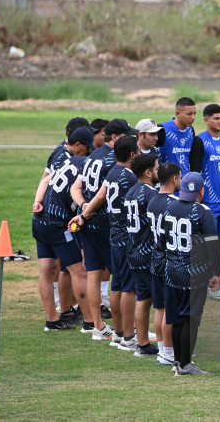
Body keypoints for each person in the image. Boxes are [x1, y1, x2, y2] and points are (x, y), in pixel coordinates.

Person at [70, 118, 138, 341]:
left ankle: (97, 326)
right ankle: (126, 330)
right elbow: (103, 194)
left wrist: (82, 209)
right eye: (127, 135)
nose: (132, 138)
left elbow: (75, 187)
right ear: (116, 138)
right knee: (120, 277)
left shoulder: (92, 156)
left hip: (88, 222)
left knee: (93, 272)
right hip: (106, 223)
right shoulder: (113, 160)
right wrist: (88, 211)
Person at [33, 126, 95, 332]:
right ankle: (90, 322)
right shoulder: (85, 165)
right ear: (79, 146)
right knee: (79, 271)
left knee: (46, 271)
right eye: (87, 147)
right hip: (57, 225)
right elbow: (76, 192)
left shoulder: (66, 160)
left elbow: (46, 179)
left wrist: (37, 201)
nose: (88, 151)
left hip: (40, 220)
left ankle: (52, 320)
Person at [161, 172, 220, 376]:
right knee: (190, 318)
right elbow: (213, 245)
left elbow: (161, 240)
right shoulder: (203, 211)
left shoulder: (169, 207)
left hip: (171, 269)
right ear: (201, 191)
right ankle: (186, 364)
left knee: (176, 318)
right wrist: (216, 273)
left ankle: (178, 361)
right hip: (193, 272)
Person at [123, 153, 161, 357]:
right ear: (148, 172)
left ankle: (143, 344)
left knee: (143, 299)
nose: (159, 170)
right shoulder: (151, 194)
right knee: (162, 304)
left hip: (133, 252)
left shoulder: (130, 192)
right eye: (157, 167)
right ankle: (167, 347)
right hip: (149, 254)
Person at [147, 162, 182, 366]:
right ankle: (170, 353)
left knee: (160, 308)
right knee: (170, 309)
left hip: (155, 257)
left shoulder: (152, 200)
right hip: (170, 259)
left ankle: (163, 351)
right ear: (174, 179)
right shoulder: (174, 203)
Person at [189, 103, 220, 236]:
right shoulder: (199, 141)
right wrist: (199, 200)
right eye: (216, 118)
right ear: (206, 120)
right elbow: (195, 173)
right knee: (209, 243)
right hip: (209, 202)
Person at [160, 97, 196, 175]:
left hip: (185, 184)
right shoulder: (162, 129)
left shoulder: (191, 131)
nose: (193, 117)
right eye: (189, 114)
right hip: (167, 184)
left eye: (194, 113)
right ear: (177, 114)